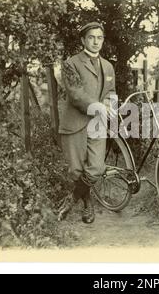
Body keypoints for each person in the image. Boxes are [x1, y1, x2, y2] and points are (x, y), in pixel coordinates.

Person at [58, 22, 116, 224]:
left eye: (99, 38)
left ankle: (71, 199)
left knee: (97, 168)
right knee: (76, 170)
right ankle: (87, 203)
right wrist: (97, 106)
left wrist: (108, 105)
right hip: (75, 123)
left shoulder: (108, 66)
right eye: (91, 37)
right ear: (83, 40)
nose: (96, 42)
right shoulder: (71, 63)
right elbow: (75, 94)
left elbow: (110, 92)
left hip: (97, 124)